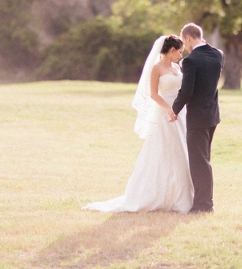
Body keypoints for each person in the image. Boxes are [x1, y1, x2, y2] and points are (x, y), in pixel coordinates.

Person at [84, 35, 194, 213]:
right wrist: (169, 109)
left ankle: (181, 196)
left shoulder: (177, 66)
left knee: (181, 151)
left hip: (181, 114)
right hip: (165, 114)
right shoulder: (156, 68)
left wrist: (180, 107)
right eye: (179, 52)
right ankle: (153, 194)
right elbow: (154, 95)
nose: (181, 56)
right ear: (172, 50)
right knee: (164, 151)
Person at [171, 23, 224, 214]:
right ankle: (204, 202)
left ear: (187, 38)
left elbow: (186, 91)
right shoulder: (218, 54)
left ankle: (204, 205)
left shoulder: (191, 60)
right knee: (204, 160)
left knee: (199, 162)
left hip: (197, 118)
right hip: (212, 116)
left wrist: (174, 110)